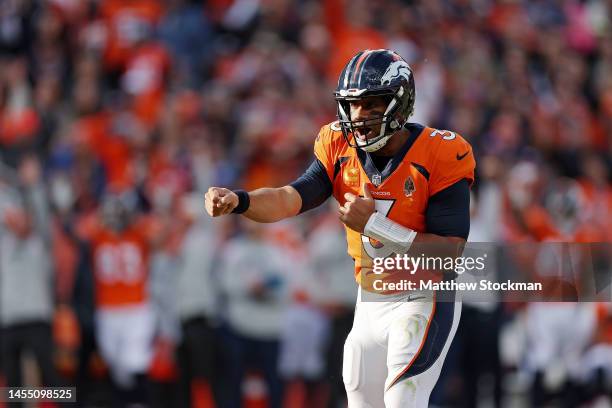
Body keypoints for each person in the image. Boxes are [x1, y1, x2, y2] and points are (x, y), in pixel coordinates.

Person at [205, 49, 475, 407]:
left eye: (371, 105)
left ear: (400, 102)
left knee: (403, 401)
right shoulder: (338, 145)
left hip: (423, 297)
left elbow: (450, 252)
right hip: (369, 299)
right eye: (352, 105)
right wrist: (240, 200)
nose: (359, 116)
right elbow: (291, 197)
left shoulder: (441, 153)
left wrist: (377, 227)